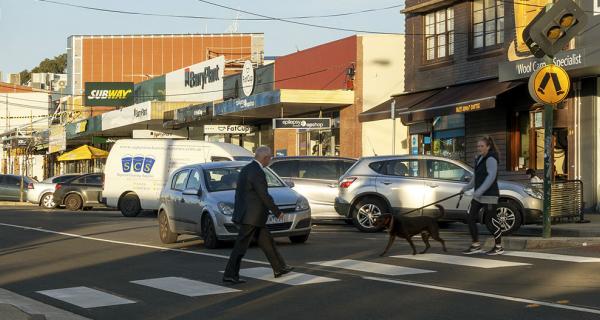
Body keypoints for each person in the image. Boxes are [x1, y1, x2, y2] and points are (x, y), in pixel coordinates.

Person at [223, 146, 294, 284]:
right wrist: (277, 211)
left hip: (250, 215)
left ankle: (279, 267)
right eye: (270, 157)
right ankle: (230, 274)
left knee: (267, 242)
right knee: (240, 247)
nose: (271, 159)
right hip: (252, 217)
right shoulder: (257, 172)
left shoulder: (247, 169)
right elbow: (263, 194)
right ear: (265, 158)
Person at [461, 136, 504, 256]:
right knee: (470, 217)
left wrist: (479, 191)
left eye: (482, 146)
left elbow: (491, 177)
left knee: (491, 221)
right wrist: (466, 188)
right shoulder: (479, 158)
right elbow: (476, 178)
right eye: (478, 146)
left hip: (490, 195)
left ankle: (498, 246)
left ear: (488, 147)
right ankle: (476, 244)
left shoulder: (491, 159)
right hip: (478, 195)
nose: (479, 148)